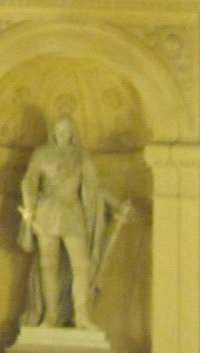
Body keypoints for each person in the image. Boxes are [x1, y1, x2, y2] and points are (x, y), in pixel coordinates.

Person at [17, 114, 128, 330]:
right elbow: (29, 181)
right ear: (53, 131)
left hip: (72, 211)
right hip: (46, 211)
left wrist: (116, 204)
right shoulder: (41, 154)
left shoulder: (80, 156)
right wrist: (29, 209)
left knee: (81, 265)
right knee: (48, 265)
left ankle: (82, 316)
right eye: (59, 129)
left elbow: (95, 188)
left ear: (72, 133)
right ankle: (50, 316)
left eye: (67, 130)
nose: (62, 133)